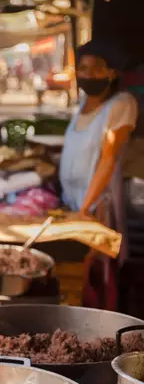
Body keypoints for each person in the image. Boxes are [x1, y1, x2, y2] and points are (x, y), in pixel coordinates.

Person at [59, 39, 138, 310]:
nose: (88, 74)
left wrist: (84, 209)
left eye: (96, 68)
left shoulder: (122, 104)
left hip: (99, 205)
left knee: (98, 275)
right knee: (77, 276)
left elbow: (108, 159)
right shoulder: (81, 105)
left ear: (112, 73)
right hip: (73, 204)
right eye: (82, 68)